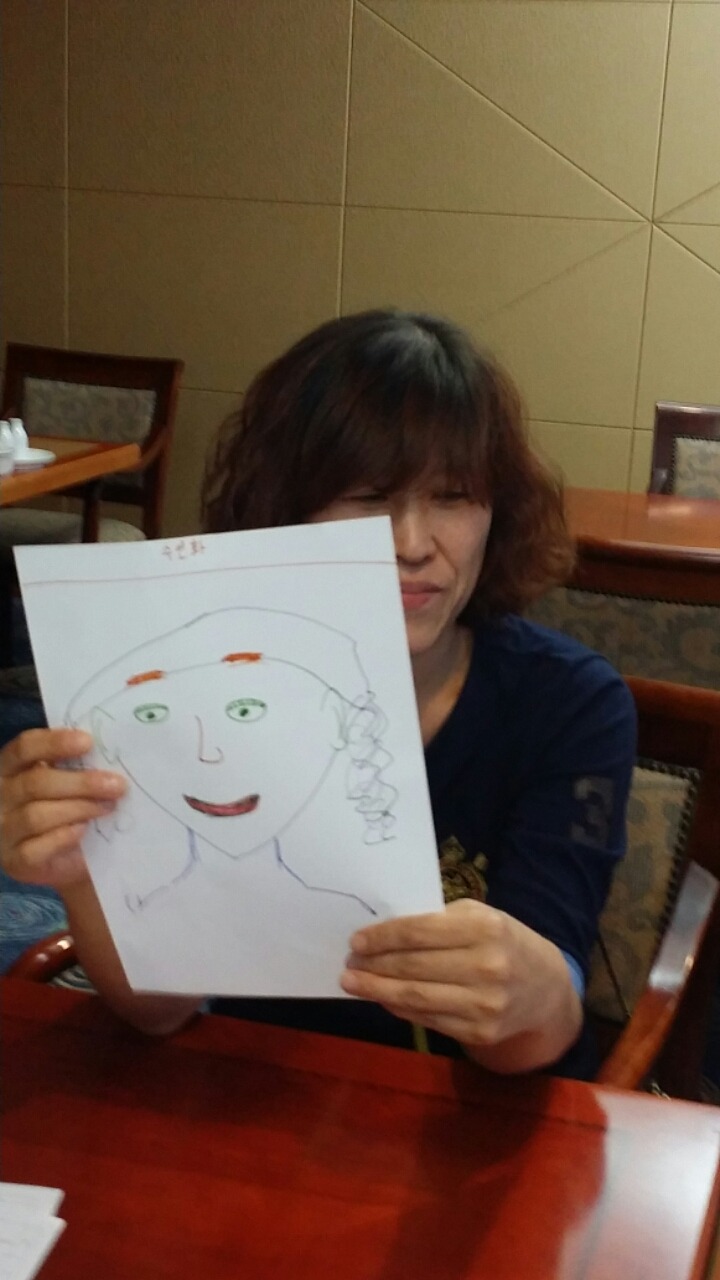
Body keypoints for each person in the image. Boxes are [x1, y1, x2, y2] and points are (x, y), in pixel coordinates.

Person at [0, 309, 636, 1077]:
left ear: (496, 512)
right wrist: (78, 868)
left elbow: (531, 1045)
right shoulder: (192, 697)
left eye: (453, 496)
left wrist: (529, 992)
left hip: (480, 1111)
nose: (412, 544)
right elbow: (156, 1012)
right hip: (264, 1089)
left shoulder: (568, 704)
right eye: (368, 497)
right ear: (287, 508)